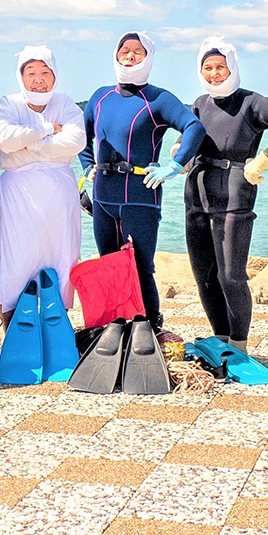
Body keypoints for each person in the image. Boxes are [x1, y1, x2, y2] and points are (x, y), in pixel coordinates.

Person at [184, 37, 268, 351]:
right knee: (205, 276)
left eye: (220, 67)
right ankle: (221, 338)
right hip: (196, 190)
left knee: (231, 275)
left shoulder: (251, 101)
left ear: (232, 67)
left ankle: (239, 345)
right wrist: (180, 152)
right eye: (207, 68)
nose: (214, 73)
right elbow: (191, 134)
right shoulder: (200, 102)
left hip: (236, 188)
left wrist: (264, 157)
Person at [79, 32, 205, 332]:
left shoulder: (158, 98)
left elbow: (194, 127)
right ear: (116, 54)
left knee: (141, 267)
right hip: (103, 197)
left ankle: (150, 327)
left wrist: (174, 166)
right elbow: (83, 140)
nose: (130, 55)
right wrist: (87, 169)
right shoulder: (100, 97)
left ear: (148, 57)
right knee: (108, 265)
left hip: (141, 195)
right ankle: (113, 329)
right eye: (125, 50)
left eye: (138, 51)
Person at [0, 46, 86, 329]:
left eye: (45, 72)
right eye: (31, 73)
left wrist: (29, 143)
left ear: (54, 75)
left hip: (59, 193)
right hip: (19, 191)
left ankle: (57, 324)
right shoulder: (9, 103)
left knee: (61, 253)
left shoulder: (65, 103)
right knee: (16, 254)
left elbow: (76, 141)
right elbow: (4, 139)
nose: (38, 79)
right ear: (21, 76)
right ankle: (13, 327)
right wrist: (47, 129)